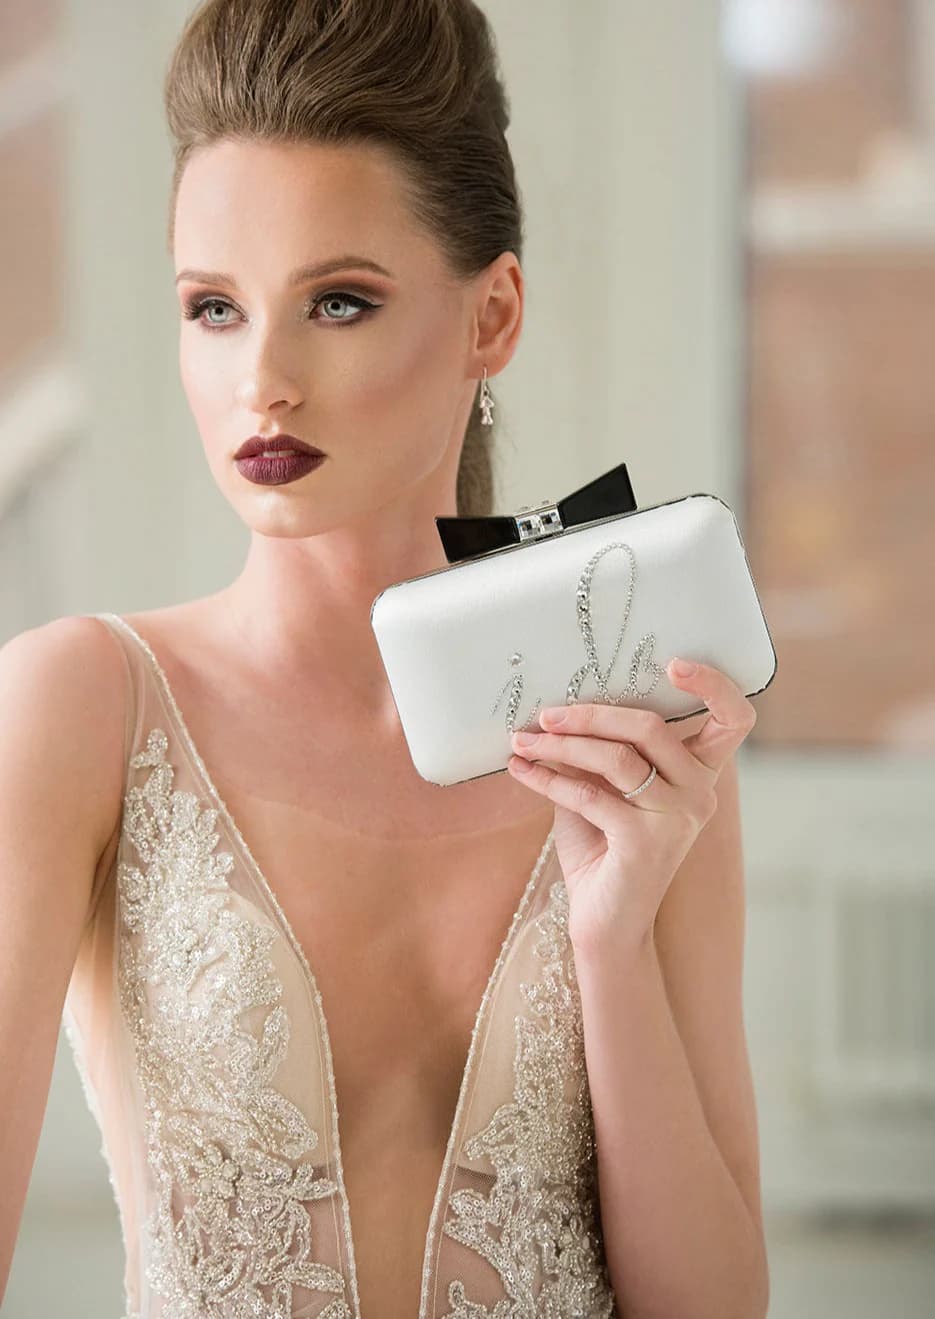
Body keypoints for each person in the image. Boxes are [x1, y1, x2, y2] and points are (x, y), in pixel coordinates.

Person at [0, 1, 769, 1316]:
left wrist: (612, 941)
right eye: (215, 308)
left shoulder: (642, 737)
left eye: (338, 302)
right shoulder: (79, 707)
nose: (263, 379)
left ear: (492, 315)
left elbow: (715, 1307)